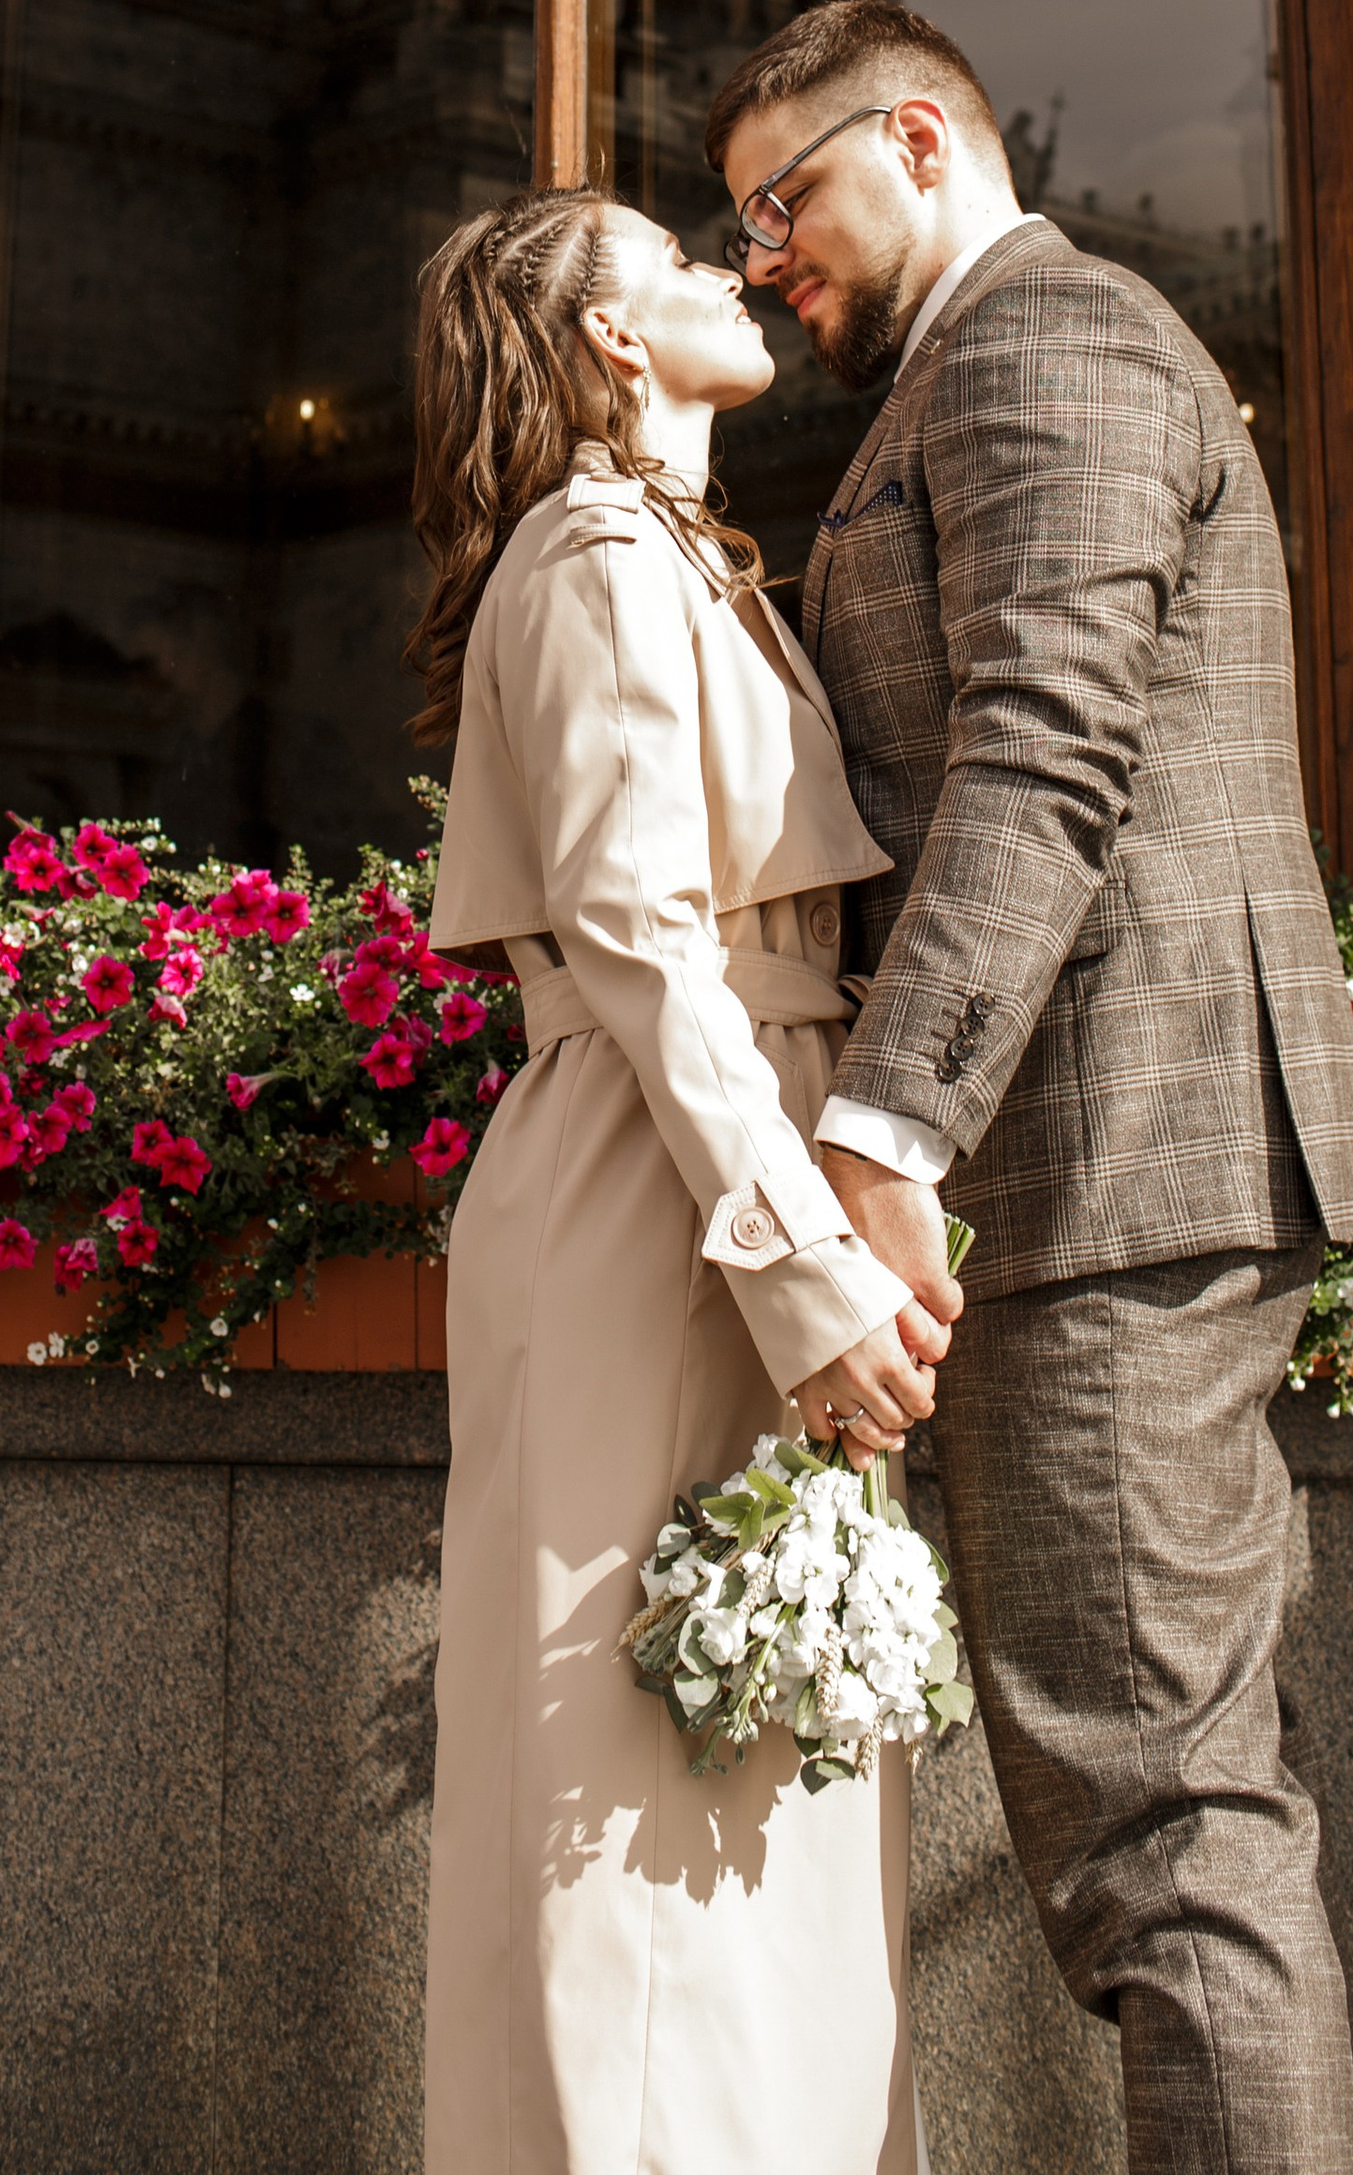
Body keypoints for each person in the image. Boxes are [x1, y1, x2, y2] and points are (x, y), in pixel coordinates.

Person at [706, 0, 1353, 2175]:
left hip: (1114, 1152)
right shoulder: (963, 367)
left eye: (780, 197)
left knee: (1165, 1838)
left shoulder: (1044, 342)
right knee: (1164, 1823)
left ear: (919, 138)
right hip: (1104, 1152)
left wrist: (881, 1135)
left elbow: (1040, 749)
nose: (757, 258)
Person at [414, 182, 947, 2175]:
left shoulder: (679, 564)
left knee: (750, 1772)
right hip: (663, 1191)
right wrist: (804, 1272)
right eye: (684, 264)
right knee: (634, 1804)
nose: (738, 272)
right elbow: (641, 944)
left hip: (721, 1168)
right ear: (617, 345)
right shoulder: (594, 561)